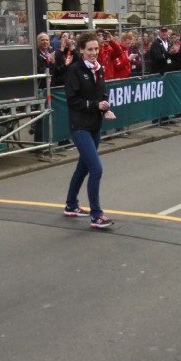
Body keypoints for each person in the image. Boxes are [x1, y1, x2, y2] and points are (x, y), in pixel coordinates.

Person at [62, 32, 116, 229]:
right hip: (79, 126)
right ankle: (96, 215)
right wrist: (96, 105)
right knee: (96, 168)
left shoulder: (98, 69)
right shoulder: (74, 70)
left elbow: (102, 94)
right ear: (81, 50)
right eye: (90, 49)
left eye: (96, 49)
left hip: (94, 125)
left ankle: (71, 205)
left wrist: (106, 108)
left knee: (83, 167)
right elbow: (72, 100)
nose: (94, 53)